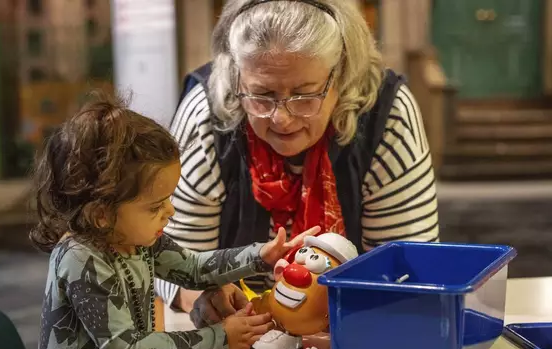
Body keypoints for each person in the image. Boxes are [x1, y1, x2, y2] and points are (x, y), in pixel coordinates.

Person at [157, 0, 440, 329]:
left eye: (305, 94)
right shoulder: (206, 117)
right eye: (261, 95)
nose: (282, 118)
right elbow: (171, 263)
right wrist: (207, 298)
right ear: (236, 77)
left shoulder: (386, 118)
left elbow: (406, 270)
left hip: (356, 328)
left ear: (342, 75)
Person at [15, 93, 320, 349]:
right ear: (101, 214)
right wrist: (219, 337)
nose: (170, 211)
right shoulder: (82, 260)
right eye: (155, 206)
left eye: (169, 199)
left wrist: (261, 255)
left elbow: (192, 268)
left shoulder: (136, 238)